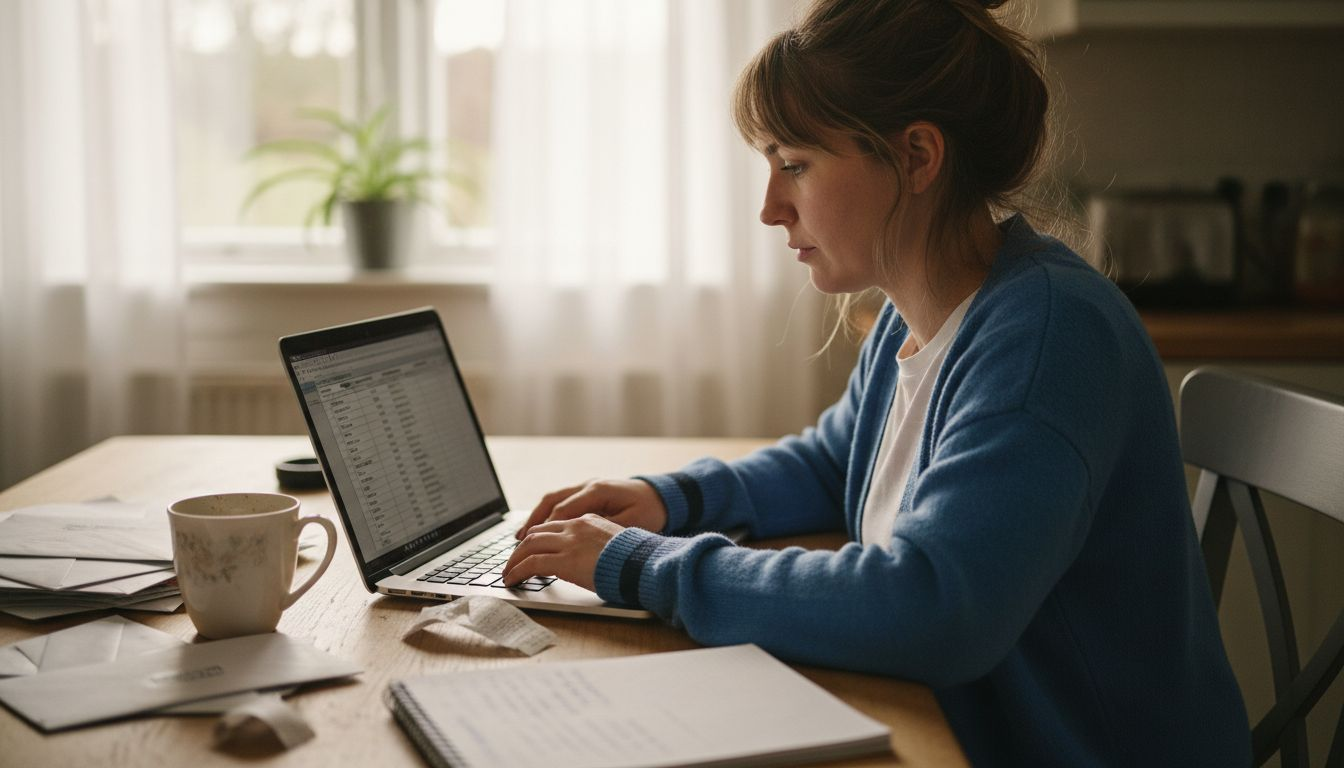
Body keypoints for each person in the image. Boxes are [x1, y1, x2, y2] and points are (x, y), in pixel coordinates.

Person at [501, 0, 1251, 763]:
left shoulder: (1048, 339)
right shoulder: (918, 311)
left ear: (919, 157)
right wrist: (672, 499)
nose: (769, 208)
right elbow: (835, 463)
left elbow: (933, 607)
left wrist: (641, 564)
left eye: (794, 164)